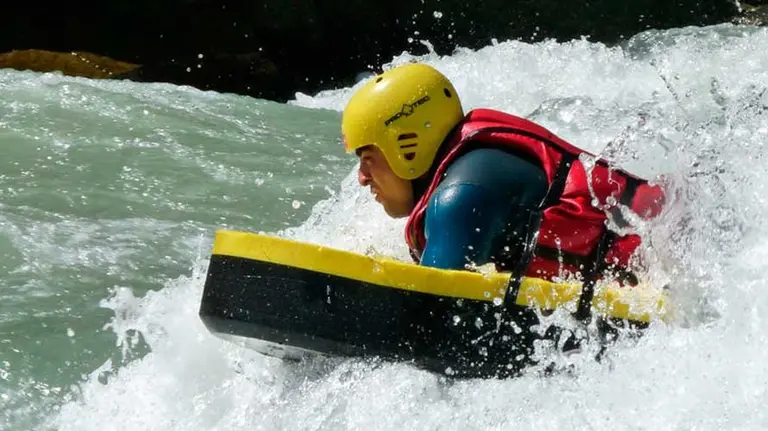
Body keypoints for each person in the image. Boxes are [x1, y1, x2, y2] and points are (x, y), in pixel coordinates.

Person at [340, 62, 666, 296]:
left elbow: (427, 311)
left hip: (656, 276)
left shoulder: (459, 198)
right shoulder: (472, 170)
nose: (362, 178)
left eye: (368, 159)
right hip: (657, 257)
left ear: (407, 147)